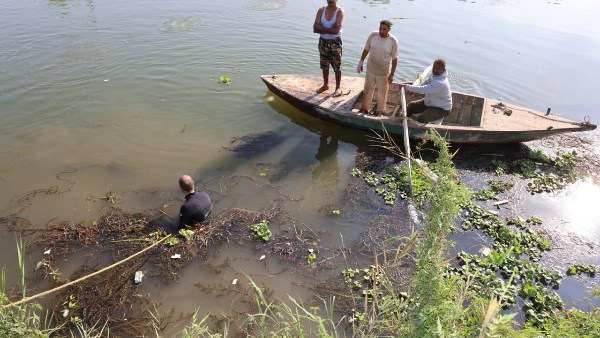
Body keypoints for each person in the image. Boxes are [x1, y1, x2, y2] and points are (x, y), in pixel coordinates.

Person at [357, 19, 399, 116]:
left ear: (389, 29)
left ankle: (380, 111)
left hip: (383, 72)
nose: (381, 31)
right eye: (380, 28)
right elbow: (366, 49)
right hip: (370, 69)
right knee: (367, 89)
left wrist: (392, 74)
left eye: (384, 29)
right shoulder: (373, 35)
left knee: (382, 93)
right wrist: (361, 62)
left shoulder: (393, 41)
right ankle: (365, 108)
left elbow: (395, 59)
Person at [403, 58, 452, 123]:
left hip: (441, 109)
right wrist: (413, 89)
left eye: (438, 69)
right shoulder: (434, 75)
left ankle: (415, 127)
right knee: (411, 106)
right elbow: (426, 83)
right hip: (430, 102)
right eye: (434, 67)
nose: (435, 70)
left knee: (421, 119)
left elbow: (423, 90)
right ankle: (403, 119)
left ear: (443, 70)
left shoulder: (441, 83)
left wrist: (407, 87)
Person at [313, 0, 345, 97]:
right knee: (324, 65)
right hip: (322, 41)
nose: (331, 0)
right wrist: (329, 29)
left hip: (335, 42)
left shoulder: (340, 11)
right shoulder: (321, 10)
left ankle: (337, 88)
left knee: (337, 66)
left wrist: (322, 28)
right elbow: (315, 28)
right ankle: (325, 85)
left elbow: (336, 31)